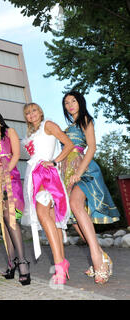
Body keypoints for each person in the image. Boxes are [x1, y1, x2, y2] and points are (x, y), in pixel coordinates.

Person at [60, 91, 119, 284]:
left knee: (76, 205)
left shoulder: (85, 120)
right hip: (68, 172)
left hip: (84, 169)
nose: (70, 105)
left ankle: (97, 262)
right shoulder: (68, 127)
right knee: (73, 217)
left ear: (80, 102)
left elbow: (91, 147)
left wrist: (78, 172)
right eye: (66, 102)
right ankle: (102, 256)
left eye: (73, 101)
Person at [21, 103, 74, 285]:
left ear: (40, 111)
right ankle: (62, 263)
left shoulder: (48, 125)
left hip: (46, 174)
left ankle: (59, 264)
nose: (31, 114)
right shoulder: (29, 134)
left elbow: (68, 144)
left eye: (34, 110)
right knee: (50, 218)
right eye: (27, 113)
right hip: (33, 176)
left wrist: (54, 161)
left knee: (44, 215)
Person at [0, 109, 30, 285]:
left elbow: (17, 155)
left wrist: (6, 173)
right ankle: (12, 263)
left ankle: (23, 262)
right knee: (4, 219)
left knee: (11, 218)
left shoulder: (9, 132)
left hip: (9, 176)